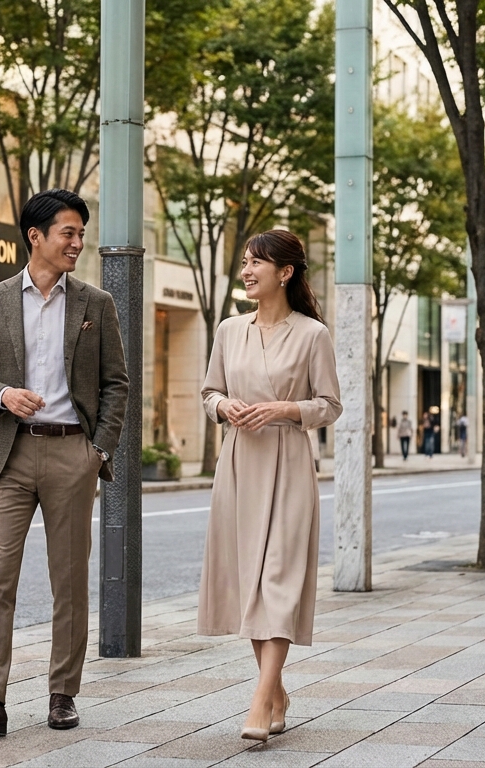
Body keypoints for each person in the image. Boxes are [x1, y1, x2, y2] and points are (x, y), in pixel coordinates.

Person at [0, 189, 129, 736]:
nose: (78, 243)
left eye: (80, 233)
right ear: (36, 237)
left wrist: (96, 450)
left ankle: (62, 694)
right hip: (8, 453)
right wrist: (3, 396)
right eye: (68, 233)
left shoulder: (95, 304)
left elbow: (116, 384)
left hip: (71, 452)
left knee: (69, 582)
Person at [198, 229, 341, 742]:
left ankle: (260, 700)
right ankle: (276, 689)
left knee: (278, 577)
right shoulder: (228, 330)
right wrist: (224, 407)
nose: (247, 270)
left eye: (257, 262)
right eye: (245, 262)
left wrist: (285, 409)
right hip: (238, 463)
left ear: (285, 273)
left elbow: (330, 405)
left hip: (288, 462)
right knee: (246, 582)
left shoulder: (312, 335)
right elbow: (210, 390)